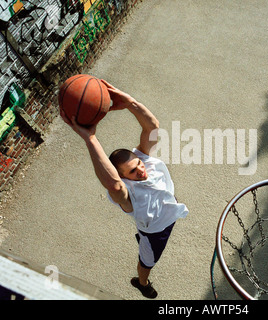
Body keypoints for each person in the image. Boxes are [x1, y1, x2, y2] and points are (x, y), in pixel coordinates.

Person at [60, 79, 189, 299]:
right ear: (123, 178)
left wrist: (130, 102)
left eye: (138, 164)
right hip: (155, 233)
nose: (141, 170)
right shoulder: (128, 197)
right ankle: (141, 282)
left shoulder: (143, 160)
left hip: (170, 211)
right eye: (132, 172)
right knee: (147, 262)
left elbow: (152, 126)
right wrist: (90, 138)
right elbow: (113, 185)